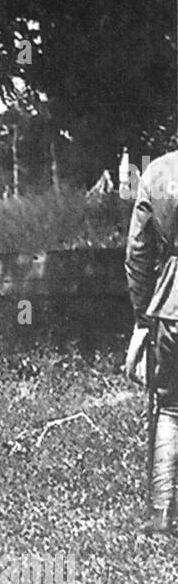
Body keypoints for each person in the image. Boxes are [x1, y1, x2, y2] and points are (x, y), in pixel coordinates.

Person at [125, 148, 178, 533]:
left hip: (173, 306)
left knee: (172, 406)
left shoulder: (160, 170)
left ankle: (162, 511)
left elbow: (139, 250)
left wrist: (144, 313)